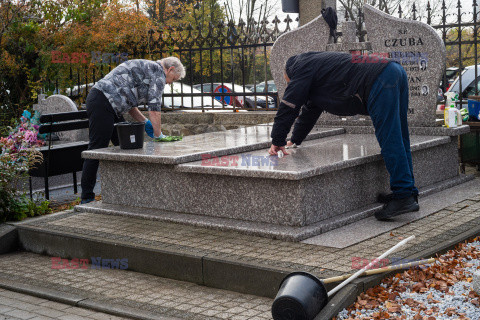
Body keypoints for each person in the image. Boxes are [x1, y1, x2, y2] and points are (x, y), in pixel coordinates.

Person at [268, 51, 419, 220]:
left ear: (290, 74)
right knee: (400, 136)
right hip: (393, 70)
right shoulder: (315, 67)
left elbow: (289, 105)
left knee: (390, 138)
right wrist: (294, 140)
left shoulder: (301, 68)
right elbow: (310, 111)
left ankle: (403, 194)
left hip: (380, 77)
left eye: (290, 83)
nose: (292, 86)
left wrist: (277, 140)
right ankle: (408, 191)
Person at [80, 57, 186, 204]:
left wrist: (145, 122)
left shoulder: (147, 68)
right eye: (172, 79)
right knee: (96, 149)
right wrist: (158, 135)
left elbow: (129, 104)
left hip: (107, 103)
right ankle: (87, 197)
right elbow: (154, 108)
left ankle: (125, 193)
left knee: (125, 147)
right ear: (170, 69)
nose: (169, 83)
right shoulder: (158, 73)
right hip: (102, 102)